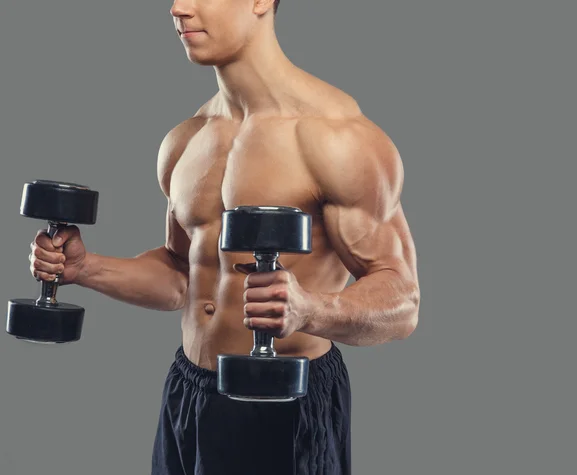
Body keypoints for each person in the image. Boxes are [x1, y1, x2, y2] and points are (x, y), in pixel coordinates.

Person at [28, 0, 420, 473]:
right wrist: (85, 269)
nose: (178, 8)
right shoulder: (186, 140)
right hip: (188, 391)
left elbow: (403, 299)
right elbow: (180, 277)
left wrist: (311, 309)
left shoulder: (335, 137)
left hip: (283, 403)